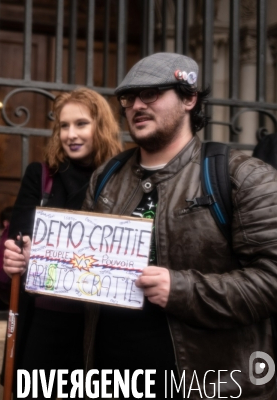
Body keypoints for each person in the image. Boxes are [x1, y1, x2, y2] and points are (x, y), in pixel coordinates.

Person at [79, 52, 275, 399]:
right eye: (128, 97)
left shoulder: (241, 176)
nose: (136, 105)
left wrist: (181, 290)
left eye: (151, 93)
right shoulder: (105, 178)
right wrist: (40, 262)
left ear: (189, 98)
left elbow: (271, 279)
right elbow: (84, 273)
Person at [1, 88, 122, 398]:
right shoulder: (40, 175)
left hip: (101, 324)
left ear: (101, 126)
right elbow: (19, 237)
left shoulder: (123, 177)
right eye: (64, 126)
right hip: (46, 320)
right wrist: (16, 255)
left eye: (81, 124)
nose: (71, 134)